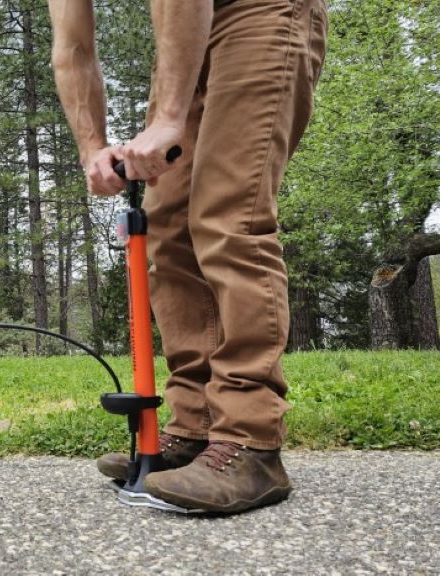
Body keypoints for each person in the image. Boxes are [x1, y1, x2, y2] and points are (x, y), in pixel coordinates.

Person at [49, 0, 327, 513]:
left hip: (261, 14)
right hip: (183, 35)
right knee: (170, 230)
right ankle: (198, 427)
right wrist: (92, 148)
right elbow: (72, 48)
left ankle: (251, 442)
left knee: (229, 219)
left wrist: (171, 115)